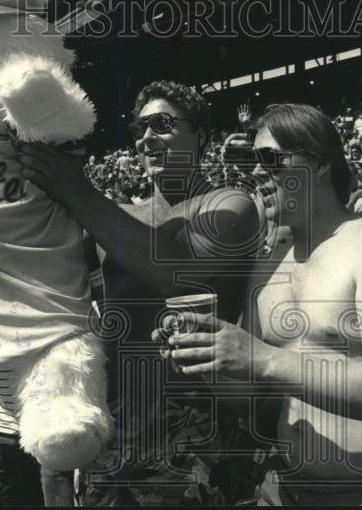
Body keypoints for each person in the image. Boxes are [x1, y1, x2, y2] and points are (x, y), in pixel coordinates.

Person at [156, 103, 362, 505]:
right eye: (250, 161)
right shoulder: (266, 265)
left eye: (270, 159)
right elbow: (247, 399)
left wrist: (261, 357)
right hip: (282, 488)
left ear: (320, 162)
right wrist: (206, 354)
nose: (256, 173)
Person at [20, 80, 264, 505]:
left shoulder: (232, 205)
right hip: (113, 426)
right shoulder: (116, 218)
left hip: (194, 433)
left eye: (163, 124)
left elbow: (176, 273)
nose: (146, 137)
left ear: (202, 136)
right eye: (139, 129)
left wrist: (76, 190)